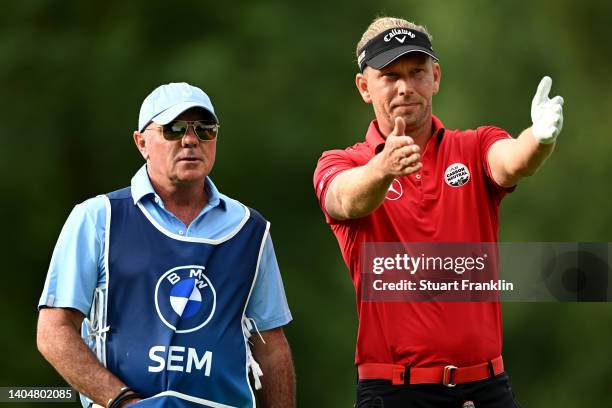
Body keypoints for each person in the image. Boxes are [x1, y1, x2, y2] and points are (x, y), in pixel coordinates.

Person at [313, 16, 564, 408]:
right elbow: (344, 199)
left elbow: (512, 161)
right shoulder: (343, 162)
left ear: (436, 77)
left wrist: (540, 138)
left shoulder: (473, 145)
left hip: (486, 388)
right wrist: (384, 167)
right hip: (396, 392)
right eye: (390, 76)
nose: (405, 87)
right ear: (364, 87)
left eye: (417, 72)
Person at [37, 82, 295, 408]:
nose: (191, 140)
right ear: (142, 142)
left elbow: (270, 345)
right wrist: (122, 401)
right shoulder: (99, 217)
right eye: (173, 129)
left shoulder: (249, 229)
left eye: (205, 129)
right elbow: (53, 331)